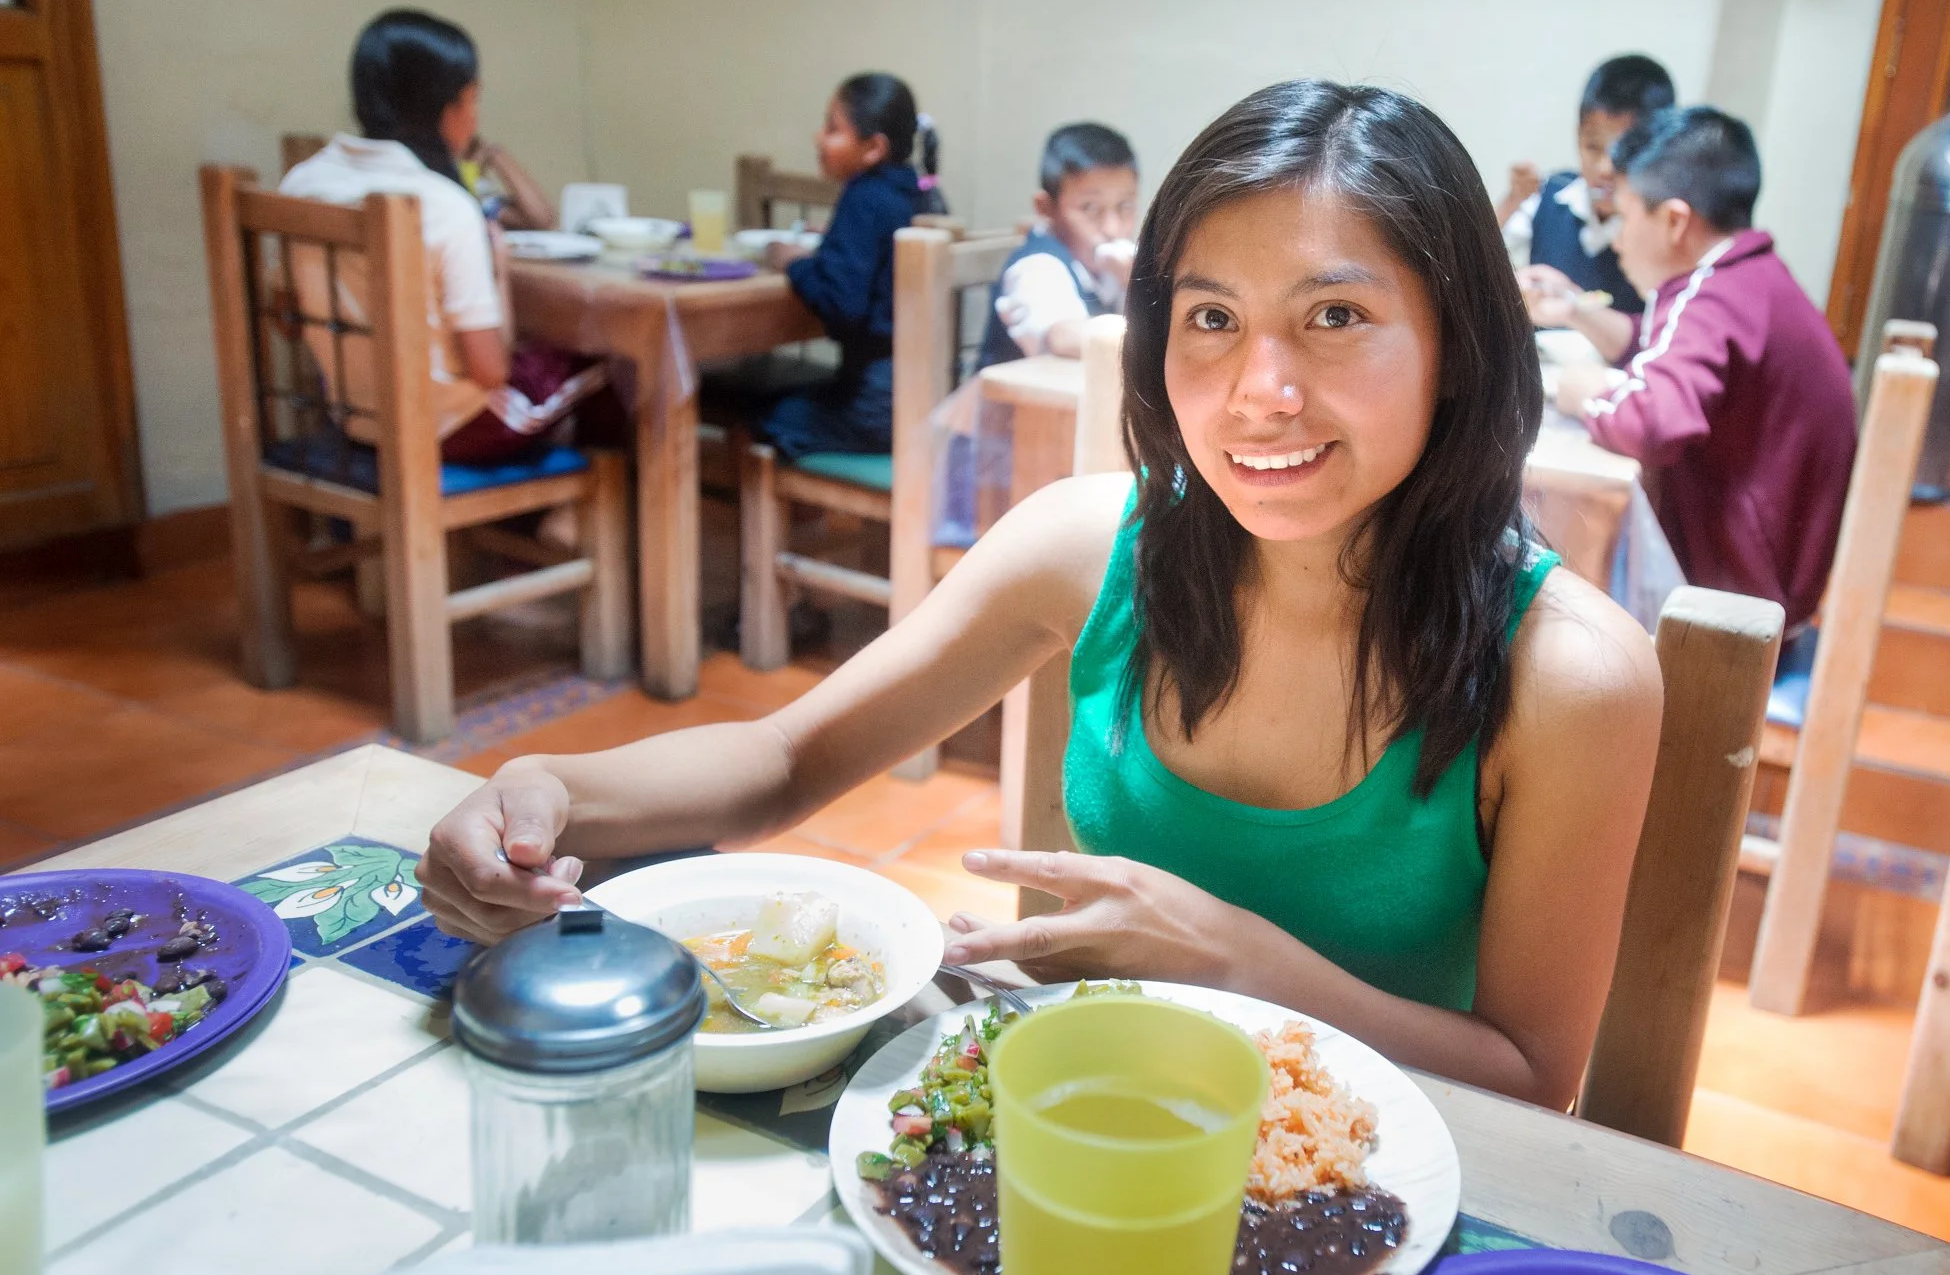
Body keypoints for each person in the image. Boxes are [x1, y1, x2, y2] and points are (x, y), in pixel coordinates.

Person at [417, 80, 1664, 1109]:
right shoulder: (1089, 545)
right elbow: (784, 760)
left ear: (1459, 348)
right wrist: (548, 793)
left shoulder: (1566, 676)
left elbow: (1532, 1078)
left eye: (1334, 314)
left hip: (1365, 1177)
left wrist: (1233, 961)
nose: (1258, 389)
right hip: (1081, 1130)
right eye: (1212, 317)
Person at [1552, 107, 1856, 632]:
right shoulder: (1747, 278)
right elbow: (1655, 345)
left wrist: (1584, 394)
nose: (1620, 240)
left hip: (1732, 604)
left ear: (1674, 221)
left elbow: (1653, 423)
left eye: (1626, 218)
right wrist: (1575, 310)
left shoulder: (1710, 294)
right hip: (1770, 587)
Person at [280, 9, 616, 472]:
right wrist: (496, 269)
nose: (474, 120)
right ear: (445, 107)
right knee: (611, 364)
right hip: (450, 427)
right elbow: (491, 372)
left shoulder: (304, 182)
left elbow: (286, 316)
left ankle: (535, 516)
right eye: (472, 100)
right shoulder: (442, 204)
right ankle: (567, 522)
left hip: (353, 418)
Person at [754, 72, 943, 458]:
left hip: (875, 407)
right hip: (925, 397)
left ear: (873, 147)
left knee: (768, 416)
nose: (819, 138)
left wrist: (796, 263)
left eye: (832, 129)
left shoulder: (865, 196)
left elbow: (843, 305)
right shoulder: (920, 192)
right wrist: (835, 238)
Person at [1501, 53, 1675, 362]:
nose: (1605, 167)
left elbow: (1661, 335)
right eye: (1593, 147)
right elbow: (1479, 252)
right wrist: (1512, 200)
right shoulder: (1551, 196)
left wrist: (1574, 305)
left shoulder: (1662, 226)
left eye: (1623, 152)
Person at [976, 122, 1140, 370]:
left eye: (1125, 207)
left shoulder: (1112, 269)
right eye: (1091, 209)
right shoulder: (1038, 264)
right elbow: (1061, 337)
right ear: (1045, 208)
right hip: (1016, 407)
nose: (1112, 228)